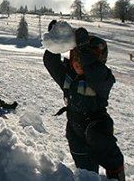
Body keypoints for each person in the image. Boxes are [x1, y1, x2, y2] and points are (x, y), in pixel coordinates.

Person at [43, 20, 125, 181]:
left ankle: (116, 175)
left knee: (105, 149)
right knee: (86, 169)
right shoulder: (68, 77)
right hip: (75, 130)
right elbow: (51, 63)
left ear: (98, 60)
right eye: (75, 58)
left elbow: (96, 72)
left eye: (83, 59)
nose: (77, 63)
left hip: (97, 126)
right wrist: (55, 42)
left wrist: (82, 48)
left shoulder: (102, 80)